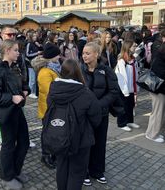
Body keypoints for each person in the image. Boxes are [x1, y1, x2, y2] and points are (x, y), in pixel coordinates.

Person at [47, 59, 102, 190]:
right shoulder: (85, 92)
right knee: (77, 172)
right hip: (81, 139)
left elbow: (49, 108)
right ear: (78, 72)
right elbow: (96, 117)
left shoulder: (53, 88)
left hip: (59, 135)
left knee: (61, 167)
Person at [0, 39, 29, 190]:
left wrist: (25, 89)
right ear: (7, 51)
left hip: (17, 111)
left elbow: (21, 82)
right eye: (16, 50)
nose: (18, 53)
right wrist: (11, 98)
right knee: (8, 145)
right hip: (7, 114)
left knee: (25, 142)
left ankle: (16, 170)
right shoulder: (0, 71)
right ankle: (6, 176)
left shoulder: (14, 67)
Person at [81, 42, 118, 185]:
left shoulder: (107, 71)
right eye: (83, 53)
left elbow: (114, 92)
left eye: (87, 53)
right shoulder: (80, 70)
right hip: (84, 115)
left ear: (96, 54)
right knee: (85, 143)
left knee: (99, 142)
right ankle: (83, 171)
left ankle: (97, 171)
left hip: (101, 114)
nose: (84, 56)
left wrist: (99, 104)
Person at [0, 26, 28, 143]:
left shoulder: (15, 48)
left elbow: (22, 69)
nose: (13, 36)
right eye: (9, 34)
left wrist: (24, 87)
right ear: (1, 35)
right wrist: (0, 92)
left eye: (14, 34)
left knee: (18, 120)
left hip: (17, 92)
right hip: (2, 94)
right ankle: (3, 142)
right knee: (2, 120)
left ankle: (16, 139)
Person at [32, 42, 61, 169]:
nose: (59, 57)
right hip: (48, 108)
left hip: (54, 107)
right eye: (57, 55)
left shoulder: (53, 68)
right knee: (47, 133)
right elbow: (49, 91)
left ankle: (53, 153)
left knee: (53, 133)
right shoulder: (45, 72)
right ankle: (45, 155)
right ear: (52, 56)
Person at [115, 41, 140, 132]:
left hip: (131, 87)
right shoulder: (122, 61)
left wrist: (136, 87)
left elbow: (136, 73)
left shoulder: (133, 59)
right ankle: (121, 123)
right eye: (133, 46)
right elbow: (120, 77)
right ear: (128, 47)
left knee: (131, 105)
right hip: (123, 88)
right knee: (123, 106)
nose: (135, 47)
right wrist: (125, 90)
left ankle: (129, 121)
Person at [145, 30, 165, 143]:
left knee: (158, 111)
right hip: (159, 86)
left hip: (158, 86)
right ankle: (152, 134)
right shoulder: (162, 49)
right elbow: (159, 70)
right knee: (158, 111)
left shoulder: (161, 47)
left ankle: (154, 132)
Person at [25, 31, 42, 99]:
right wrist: (37, 53)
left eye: (36, 36)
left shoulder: (36, 43)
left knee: (35, 79)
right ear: (31, 37)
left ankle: (34, 92)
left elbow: (41, 49)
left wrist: (39, 46)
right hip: (30, 64)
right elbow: (27, 54)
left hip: (36, 63)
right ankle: (30, 92)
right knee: (32, 79)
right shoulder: (29, 44)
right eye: (34, 36)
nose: (35, 37)